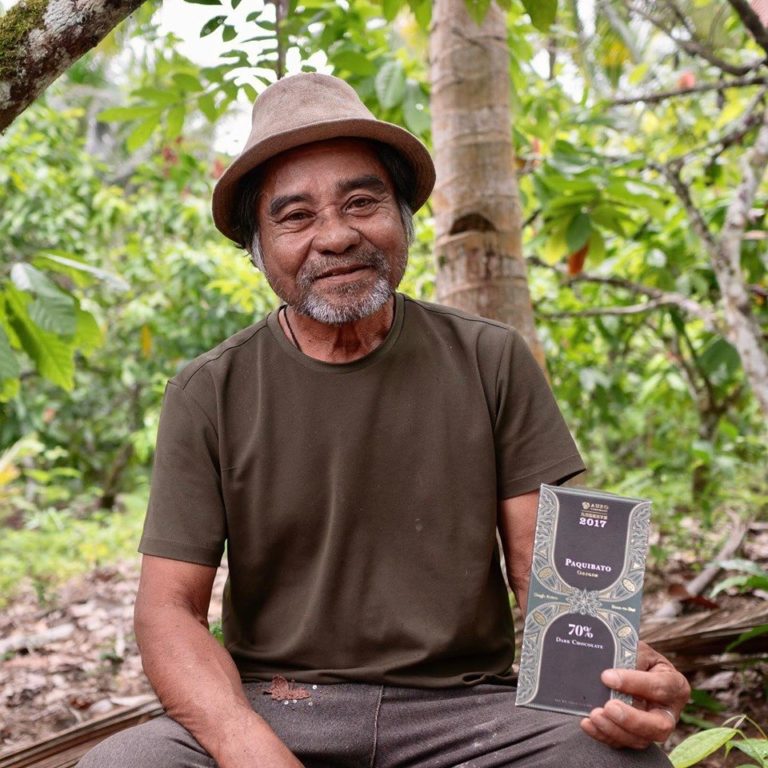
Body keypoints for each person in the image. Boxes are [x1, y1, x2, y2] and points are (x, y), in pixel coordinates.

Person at [78, 73, 689, 768]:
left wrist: (627, 678)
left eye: (362, 202)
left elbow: (556, 582)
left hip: (468, 713)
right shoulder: (207, 390)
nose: (336, 236)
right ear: (256, 247)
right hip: (279, 706)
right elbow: (168, 611)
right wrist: (250, 748)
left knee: (614, 761)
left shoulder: (490, 359)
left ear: (402, 218)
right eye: (296, 217)